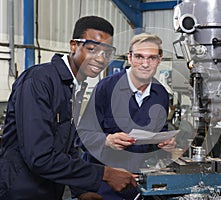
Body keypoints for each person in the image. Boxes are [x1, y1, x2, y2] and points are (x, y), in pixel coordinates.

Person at [0, 16, 137, 200]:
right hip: (21, 191)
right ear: (74, 45)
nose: (100, 58)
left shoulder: (73, 87)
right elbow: (39, 157)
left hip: (50, 191)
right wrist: (106, 174)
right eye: (92, 49)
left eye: (107, 53)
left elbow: (67, 148)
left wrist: (81, 191)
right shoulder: (40, 81)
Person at [77, 33, 176, 200]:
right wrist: (106, 140)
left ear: (159, 59)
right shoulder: (106, 88)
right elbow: (81, 136)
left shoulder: (161, 95)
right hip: (105, 185)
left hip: (140, 183)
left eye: (151, 58)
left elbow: (158, 136)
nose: (145, 64)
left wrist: (165, 143)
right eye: (139, 57)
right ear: (129, 58)